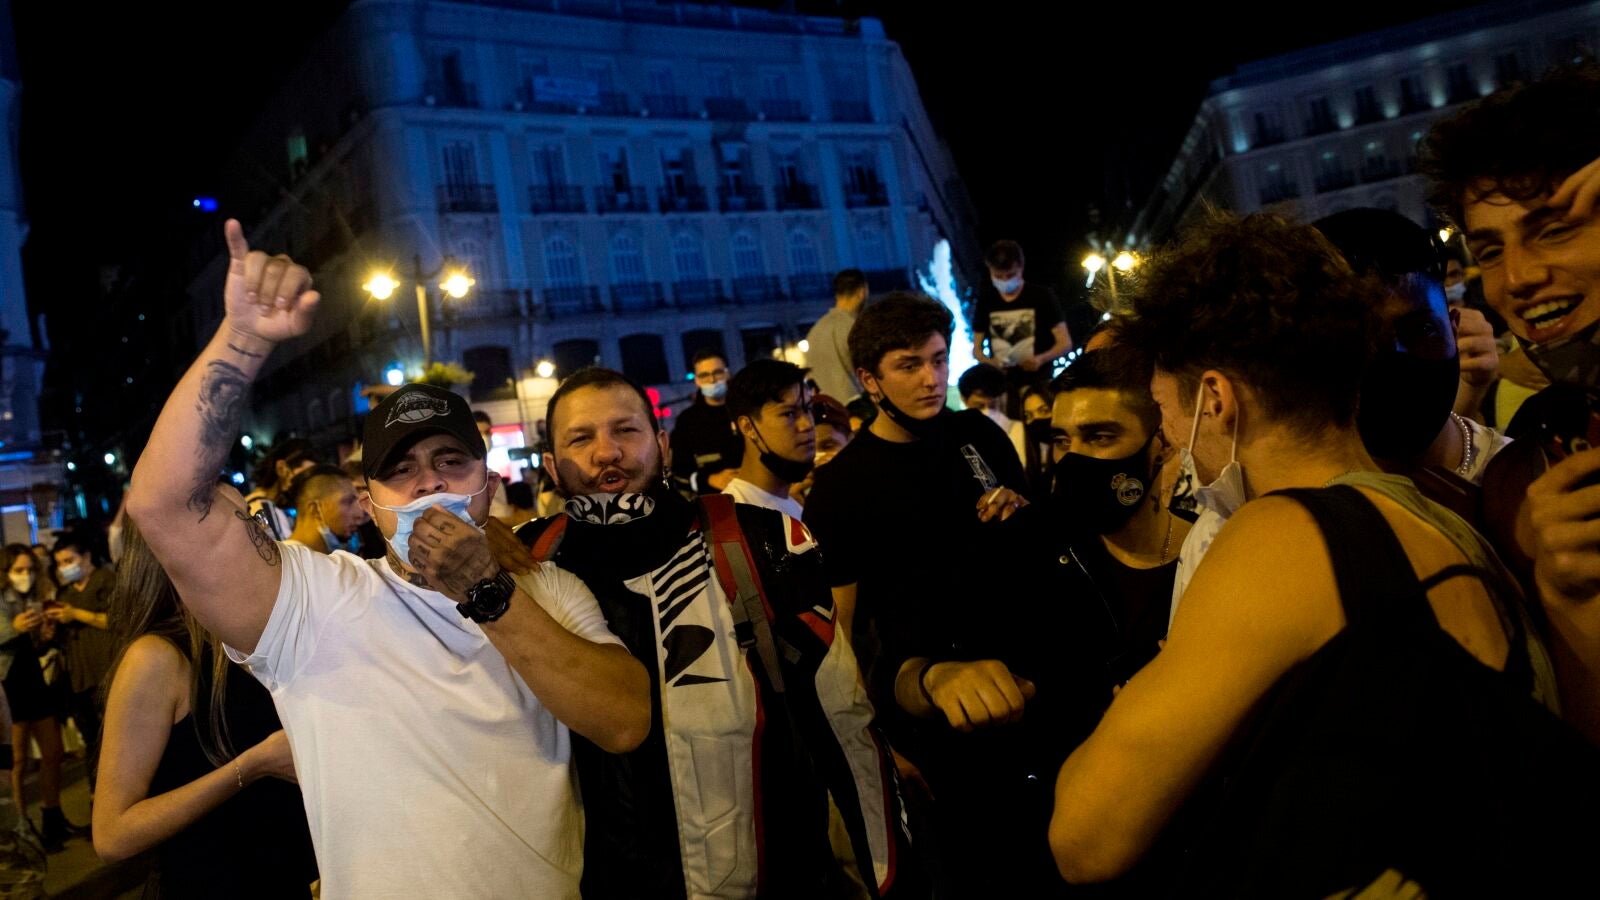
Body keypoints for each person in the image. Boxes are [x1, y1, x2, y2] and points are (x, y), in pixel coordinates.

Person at [1050, 213, 1594, 896]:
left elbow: (1085, 837)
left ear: (1216, 398)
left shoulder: (1281, 536)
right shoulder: (1441, 514)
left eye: (1165, 414)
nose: (1173, 445)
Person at [123, 220, 651, 897]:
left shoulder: (551, 589)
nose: (428, 483)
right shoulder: (313, 601)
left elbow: (624, 722)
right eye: (401, 470)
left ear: (488, 486)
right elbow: (163, 505)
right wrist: (245, 338)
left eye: (450, 461)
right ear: (369, 505)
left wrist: (485, 591)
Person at [506, 367, 917, 899]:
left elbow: (847, 730)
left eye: (625, 430)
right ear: (551, 467)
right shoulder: (520, 567)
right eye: (580, 438)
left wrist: (891, 882)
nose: (606, 452)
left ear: (663, 445)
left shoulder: (764, 542)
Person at [1422, 63, 1600, 742]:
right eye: (1491, 250)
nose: (1518, 278)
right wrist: (1566, 601)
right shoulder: (1525, 470)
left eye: (1554, 229)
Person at [92, 518, 317, 898]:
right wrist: (252, 765)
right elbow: (113, 835)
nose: (256, 531)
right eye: (238, 520)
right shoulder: (156, 657)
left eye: (254, 518)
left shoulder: (250, 634)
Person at [0, 545, 83, 850]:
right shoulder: (2, 599)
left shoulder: (32, 596)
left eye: (30, 569)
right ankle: (21, 826)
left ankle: (52, 816)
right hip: (8, 683)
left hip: (33, 678)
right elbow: (8, 636)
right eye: (19, 570)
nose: (26, 575)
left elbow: (32, 645)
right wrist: (14, 628)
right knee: (17, 760)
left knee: (53, 751)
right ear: (5, 571)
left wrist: (44, 636)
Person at [971, 240, 1072, 411]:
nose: (1005, 281)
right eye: (998, 276)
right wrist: (991, 363)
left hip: (1039, 385)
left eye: (1010, 275)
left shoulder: (1042, 296)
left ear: (1021, 268)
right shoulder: (986, 300)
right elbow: (977, 350)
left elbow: (1065, 343)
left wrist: (1040, 359)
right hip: (1003, 388)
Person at [48, 533, 115, 766]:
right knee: (91, 740)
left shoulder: (107, 580)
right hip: (80, 676)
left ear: (86, 556)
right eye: (59, 563)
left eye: (69, 561)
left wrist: (76, 614)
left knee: (115, 736)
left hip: (108, 670)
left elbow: (118, 620)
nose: (64, 568)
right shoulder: (64, 593)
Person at [722, 359, 816, 519]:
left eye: (808, 409)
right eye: (789, 414)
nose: (807, 425)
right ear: (748, 427)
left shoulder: (798, 504)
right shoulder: (732, 517)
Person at [670, 349, 744, 494]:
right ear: (697, 381)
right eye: (704, 375)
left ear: (727, 374)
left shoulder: (746, 411)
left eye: (717, 372)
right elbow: (680, 470)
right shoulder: (687, 421)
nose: (712, 380)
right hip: (713, 500)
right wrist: (709, 479)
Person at [806, 269, 869, 403]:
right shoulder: (854, 327)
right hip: (858, 406)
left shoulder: (815, 331)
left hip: (828, 408)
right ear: (861, 292)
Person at [283, 464, 369, 554]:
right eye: (349, 502)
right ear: (315, 509)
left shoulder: (328, 558)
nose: (360, 515)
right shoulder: (287, 559)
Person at [244, 439, 315, 540]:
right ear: (282, 469)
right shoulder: (262, 509)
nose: (312, 485)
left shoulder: (261, 506)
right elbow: (279, 550)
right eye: (305, 476)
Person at [958, 362, 1027, 464]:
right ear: (964, 399)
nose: (987, 413)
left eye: (993, 407)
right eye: (979, 407)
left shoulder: (1020, 431)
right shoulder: (957, 435)